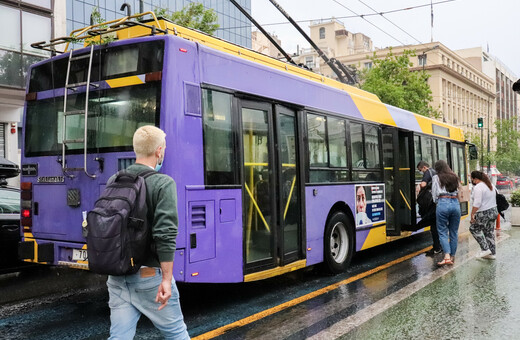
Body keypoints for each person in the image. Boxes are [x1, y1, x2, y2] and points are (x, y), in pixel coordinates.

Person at [106, 126, 189, 339]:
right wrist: (167, 280)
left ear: (136, 149)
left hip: (117, 276)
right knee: (176, 334)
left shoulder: (114, 180)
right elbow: (165, 233)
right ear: (159, 151)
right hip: (149, 276)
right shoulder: (163, 183)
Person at [431, 160, 461, 266]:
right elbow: (459, 190)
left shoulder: (436, 177)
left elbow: (434, 193)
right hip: (455, 203)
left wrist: (437, 202)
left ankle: (447, 256)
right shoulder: (454, 176)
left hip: (443, 202)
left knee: (442, 231)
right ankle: (452, 256)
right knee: (454, 232)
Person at [469, 170, 498, 260]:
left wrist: (472, 214)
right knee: (489, 232)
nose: (472, 182)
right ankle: (492, 253)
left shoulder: (478, 187)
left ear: (476, 179)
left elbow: (477, 203)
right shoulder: (491, 185)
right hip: (493, 211)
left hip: (483, 213)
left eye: (472, 180)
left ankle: (485, 249)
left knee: (473, 228)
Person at [416, 161, 441, 256]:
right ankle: (438, 247)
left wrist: (419, 185)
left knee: (434, 227)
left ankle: (437, 248)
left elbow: (423, 184)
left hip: (431, 204)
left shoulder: (428, 172)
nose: (421, 172)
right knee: (437, 226)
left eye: (420, 170)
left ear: (424, 167)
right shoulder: (435, 172)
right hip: (437, 204)